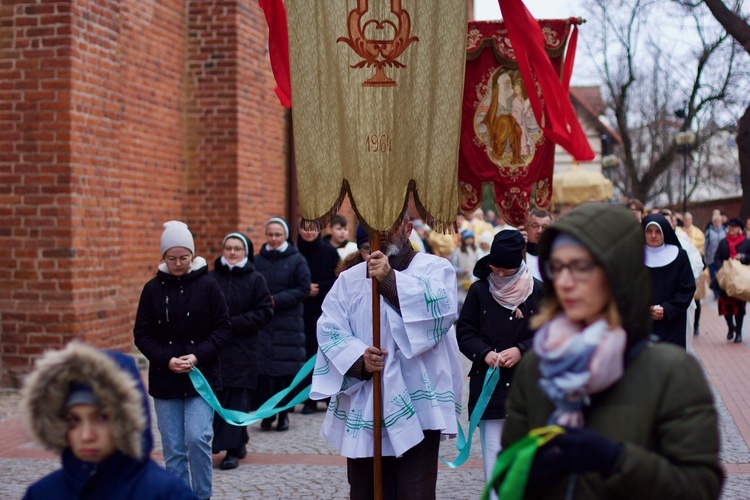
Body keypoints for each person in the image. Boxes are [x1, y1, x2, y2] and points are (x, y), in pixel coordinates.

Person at [501, 204, 723, 499]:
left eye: (581, 267)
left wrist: (615, 461)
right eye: (557, 266)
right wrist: (526, 473)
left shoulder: (671, 372)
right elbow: (505, 476)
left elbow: (699, 486)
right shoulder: (537, 367)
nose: (564, 282)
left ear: (618, 272)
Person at [310, 214, 463, 499]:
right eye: (373, 227)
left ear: (407, 230)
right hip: (368, 397)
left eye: (389, 226)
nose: (381, 233)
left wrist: (389, 280)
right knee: (366, 488)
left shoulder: (435, 268)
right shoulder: (349, 280)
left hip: (419, 404)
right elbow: (329, 327)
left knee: (412, 491)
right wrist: (359, 360)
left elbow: (441, 313)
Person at [21, 342, 197, 500]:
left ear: (126, 419)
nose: (86, 435)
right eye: (73, 420)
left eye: (100, 418)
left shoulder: (167, 494)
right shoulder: (42, 494)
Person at [133, 220, 231, 500]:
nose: (178, 263)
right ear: (163, 257)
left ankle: (202, 495)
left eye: (184, 257)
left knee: (198, 438)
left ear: (192, 255)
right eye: (172, 258)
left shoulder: (209, 285)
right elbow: (142, 334)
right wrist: (167, 359)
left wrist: (198, 355)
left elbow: (223, 328)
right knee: (174, 447)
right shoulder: (152, 290)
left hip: (202, 378)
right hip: (166, 379)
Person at [456, 230, 543, 494]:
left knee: (526, 459)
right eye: (496, 268)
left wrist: (521, 350)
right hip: (489, 389)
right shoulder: (480, 291)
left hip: (527, 390)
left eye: (505, 269)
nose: (499, 274)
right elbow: (465, 332)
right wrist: (485, 353)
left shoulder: (538, 291)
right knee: (494, 458)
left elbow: (551, 334)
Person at [210, 232, 273, 469]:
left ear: (246, 252)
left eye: (238, 248)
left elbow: (265, 311)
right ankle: (236, 440)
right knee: (218, 397)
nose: (233, 252)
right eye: (228, 248)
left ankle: (233, 450)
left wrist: (233, 323)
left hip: (243, 349)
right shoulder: (212, 278)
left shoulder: (256, 279)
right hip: (216, 350)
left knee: (237, 398)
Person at [254, 217, 311, 432]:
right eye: (270, 234)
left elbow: (303, 288)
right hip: (264, 323)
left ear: (285, 235)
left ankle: (284, 414)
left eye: (278, 234)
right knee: (265, 373)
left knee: (284, 374)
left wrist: (277, 300)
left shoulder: (297, 260)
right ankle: (268, 414)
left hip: (288, 323)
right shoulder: (258, 260)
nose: (274, 238)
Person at [297, 224, 340, 414]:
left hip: (324, 308)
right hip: (301, 309)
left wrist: (320, 288)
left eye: (312, 227)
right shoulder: (295, 251)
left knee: (325, 352)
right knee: (305, 353)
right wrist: (304, 289)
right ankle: (308, 398)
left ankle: (329, 395)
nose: (308, 231)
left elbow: (338, 278)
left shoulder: (329, 251)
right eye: (304, 228)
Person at [642, 214, 696, 349]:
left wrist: (667, 309)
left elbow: (687, 288)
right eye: (649, 231)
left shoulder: (679, 256)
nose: (653, 235)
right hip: (643, 324)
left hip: (672, 322)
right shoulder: (635, 257)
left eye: (657, 231)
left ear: (665, 232)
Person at [712, 217, 750, 343]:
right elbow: (716, 257)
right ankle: (730, 327)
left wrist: (743, 257)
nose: (731, 229)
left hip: (739, 280)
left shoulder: (746, 241)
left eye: (734, 227)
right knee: (725, 306)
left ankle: (738, 332)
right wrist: (721, 268)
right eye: (730, 227)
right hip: (725, 280)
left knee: (739, 306)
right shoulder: (723, 242)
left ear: (739, 229)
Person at [521, 208, 552, 280]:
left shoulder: (555, 255)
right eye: (535, 226)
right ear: (526, 227)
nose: (539, 231)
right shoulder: (518, 254)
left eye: (544, 227)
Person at [451, 229, 478, 310]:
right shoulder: (458, 251)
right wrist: (462, 271)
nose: (470, 240)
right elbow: (453, 266)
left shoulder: (475, 250)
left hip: (473, 280)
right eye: (467, 238)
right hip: (461, 282)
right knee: (461, 302)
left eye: (471, 238)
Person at [704, 213, 727, 298]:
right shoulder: (709, 232)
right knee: (713, 275)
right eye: (716, 221)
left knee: (722, 274)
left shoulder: (725, 231)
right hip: (711, 257)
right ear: (713, 222)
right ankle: (716, 293)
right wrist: (705, 256)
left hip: (722, 258)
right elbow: (705, 245)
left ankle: (722, 290)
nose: (717, 223)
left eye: (719, 221)